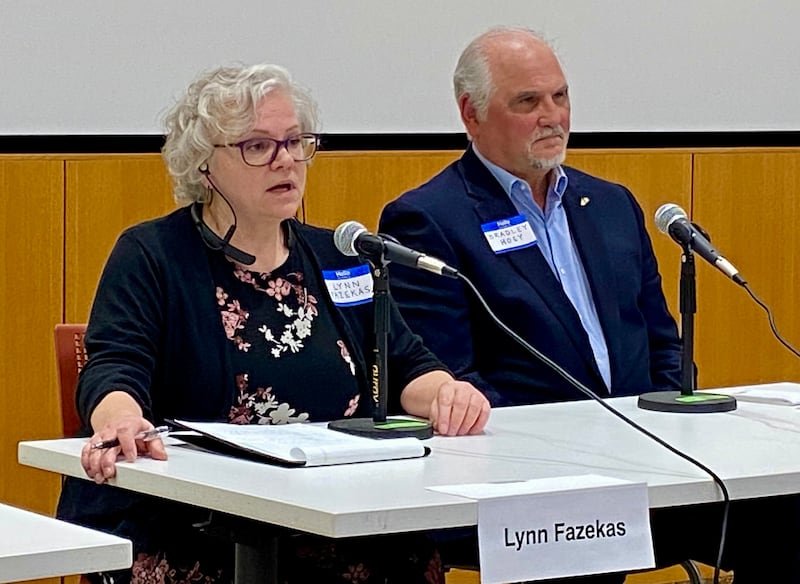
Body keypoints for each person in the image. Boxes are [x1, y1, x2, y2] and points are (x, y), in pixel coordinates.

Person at [378, 26, 800, 584]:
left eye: (561, 96)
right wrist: (582, 446)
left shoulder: (610, 204)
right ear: (471, 114)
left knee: (787, 518)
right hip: (532, 485)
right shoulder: (429, 220)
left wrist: (672, 427)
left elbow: (664, 348)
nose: (551, 116)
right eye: (527, 102)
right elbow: (455, 378)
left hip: (657, 466)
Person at [56, 62, 490, 584]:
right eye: (257, 147)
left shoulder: (339, 255)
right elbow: (114, 367)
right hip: (198, 523)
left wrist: (447, 392)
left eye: (294, 141)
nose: (285, 160)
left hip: (336, 513)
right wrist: (122, 421)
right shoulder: (153, 255)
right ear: (203, 166)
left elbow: (406, 362)